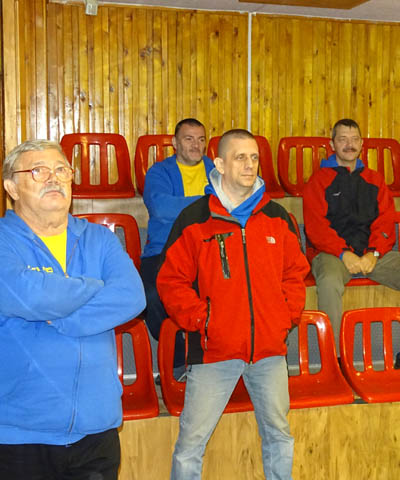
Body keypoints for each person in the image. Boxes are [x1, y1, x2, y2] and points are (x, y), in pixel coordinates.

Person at [156, 129, 309, 480]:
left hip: (269, 351)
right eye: (240, 157)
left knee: (279, 436)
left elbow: (295, 274)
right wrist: (205, 321)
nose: (249, 164)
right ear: (220, 164)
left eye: (254, 157)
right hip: (215, 352)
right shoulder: (195, 219)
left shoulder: (277, 217)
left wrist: (284, 317)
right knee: (190, 445)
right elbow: (171, 282)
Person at [0, 140, 146, 479]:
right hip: (20, 434)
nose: (54, 178)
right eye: (39, 171)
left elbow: (131, 296)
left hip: (96, 430)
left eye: (62, 170)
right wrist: (94, 285)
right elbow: (27, 295)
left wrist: (63, 319)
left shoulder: (100, 239)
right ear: (11, 188)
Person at [303, 118, 400, 354]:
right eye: (343, 139)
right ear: (332, 145)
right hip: (332, 255)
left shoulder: (375, 179)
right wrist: (343, 254)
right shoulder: (318, 181)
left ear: (362, 144)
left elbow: (385, 221)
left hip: (373, 254)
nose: (349, 145)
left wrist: (374, 252)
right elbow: (316, 228)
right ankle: (334, 357)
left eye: (354, 139)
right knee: (329, 282)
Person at [140, 118, 215, 378]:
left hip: (207, 249)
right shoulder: (159, 172)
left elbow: (239, 197)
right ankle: (176, 361)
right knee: (150, 295)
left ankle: (211, 360)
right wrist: (208, 201)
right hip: (164, 250)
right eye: (189, 139)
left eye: (201, 139)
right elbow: (161, 208)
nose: (196, 145)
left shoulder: (217, 170)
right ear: (175, 143)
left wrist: (183, 204)